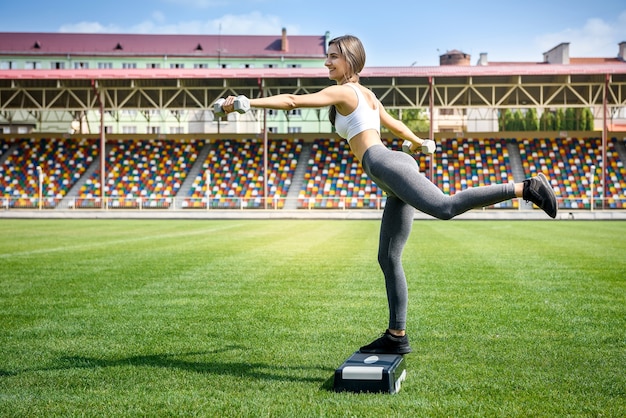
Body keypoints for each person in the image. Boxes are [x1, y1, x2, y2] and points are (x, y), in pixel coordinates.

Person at [220, 34, 557, 355]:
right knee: (388, 257)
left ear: (351, 59)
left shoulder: (347, 93)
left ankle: (527, 188)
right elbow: (393, 123)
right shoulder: (367, 96)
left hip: (383, 163)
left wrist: (246, 103)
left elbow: (293, 101)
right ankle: (397, 335)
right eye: (327, 56)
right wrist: (418, 141)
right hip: (388, 167)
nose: (327, 62)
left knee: (444, 207)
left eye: (333, 56)